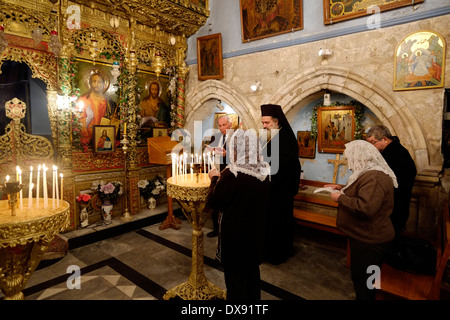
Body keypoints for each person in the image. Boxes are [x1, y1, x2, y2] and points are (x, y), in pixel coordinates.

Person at [326, 140, 398, 300]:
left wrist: (339, 198)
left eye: (350, 158)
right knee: (362, 278)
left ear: (361, 157)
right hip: (364, 237)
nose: (349, 163)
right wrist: (342, 189)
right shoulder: (368, 173)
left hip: (371, 241)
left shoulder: (375, 177)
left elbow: (366, 207)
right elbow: (361, 192)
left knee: (367, 283)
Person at [206, 129, 270, 300]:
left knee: (235, 283)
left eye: (233, 148)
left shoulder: (233, 174)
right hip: (254, 236)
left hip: (236, 239)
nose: (231, 153)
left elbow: (215, 201)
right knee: (252, 279)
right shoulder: (264, 170)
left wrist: (214, 179)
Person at [260, 104, 301, 265]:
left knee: (279, 222)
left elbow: (286, 165)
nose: (264, 126)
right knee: (268, 222)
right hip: (269, 189)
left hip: (281, 190)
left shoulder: (286, 138)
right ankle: (267, 251)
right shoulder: (268, 137)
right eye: (263, 123)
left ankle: (278, 254)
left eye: (267, 123)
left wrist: (267, 173)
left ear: (276, 121)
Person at [365, 124, 417, 235]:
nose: (372, 146)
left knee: (391, 235)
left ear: (384, 139)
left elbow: (393, 180)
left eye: (373, 142)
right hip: (393, 203)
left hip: (395, 204)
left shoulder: (396, 153)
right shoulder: (391, 150)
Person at [205, 114, 232, 238]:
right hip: (217, 172)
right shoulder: (215, 137)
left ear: (230, 125)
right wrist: (210, 152)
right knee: (215, 201)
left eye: (224, 125)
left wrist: (227, 154)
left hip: (230, 175)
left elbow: (241, 157)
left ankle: (226, 230)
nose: (222, 128)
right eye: (220, 125)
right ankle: (216, 229)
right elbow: (209, 152)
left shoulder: (236, 138)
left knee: (227, 204)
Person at [78, 71, 114, 143]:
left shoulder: (109, 102)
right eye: (94, 81)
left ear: (104, 84)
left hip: (103, 139)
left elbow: (113, 121)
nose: (97, 84)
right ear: (91, 83)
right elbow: (77, 122)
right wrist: (89, 118)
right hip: (88, 138)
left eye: (100, 82)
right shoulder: (83, 100)